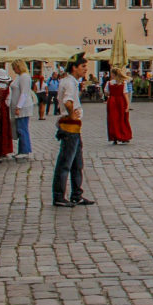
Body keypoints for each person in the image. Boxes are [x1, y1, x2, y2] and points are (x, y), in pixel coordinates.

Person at [52, 52, 94, 207]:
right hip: (70, 127)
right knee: (65, 163)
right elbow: (68, 101)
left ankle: (77, 194)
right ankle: (59, 196)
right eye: (83, 66)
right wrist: (71, 115)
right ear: (74, 67)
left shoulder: (71, 82)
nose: (85, 69)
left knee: (77, 163)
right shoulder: (69, 83)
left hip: (74, 128)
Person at [8, 61, 34, 159]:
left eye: (15, 68)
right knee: (19, 129)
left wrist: (19, 106)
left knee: (22, 129)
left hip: (23, 107)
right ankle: (21, 150)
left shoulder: (24, 77)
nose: (14, 70)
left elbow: (24, 93)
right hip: (18, 106)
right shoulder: (19, 77)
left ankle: (25, 150)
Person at [105, 68, 133, 144]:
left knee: (113, 119)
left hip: (112, 101)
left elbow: (107, 93)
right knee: (122, 118)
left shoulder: (109, 83)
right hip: (121, 101)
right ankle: (123, 136)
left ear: (113, 74)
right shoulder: (123, 83)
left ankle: (114, 137)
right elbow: (125, 94)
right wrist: (127, 105)